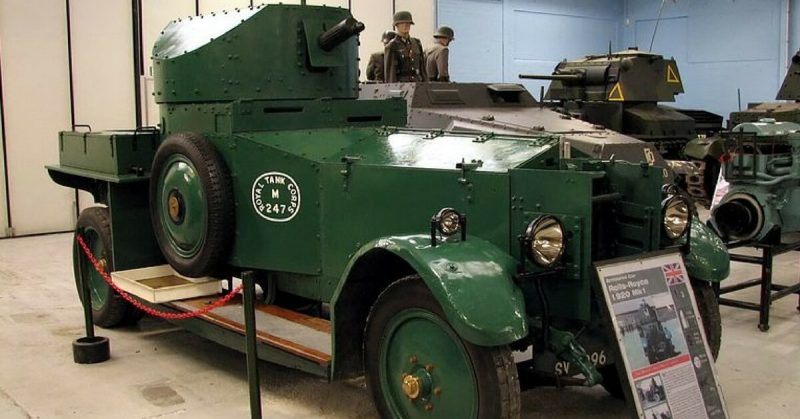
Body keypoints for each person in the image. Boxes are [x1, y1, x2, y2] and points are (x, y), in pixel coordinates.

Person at [384, 11, 427, 82]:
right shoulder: (392, 45)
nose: (405, 26)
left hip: (418, 83)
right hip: (402, 85)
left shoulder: (416, 42)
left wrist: (426, 85)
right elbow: (390, 73)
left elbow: (422, 68)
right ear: (396, 25)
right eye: (402, 23)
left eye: (408, 23)